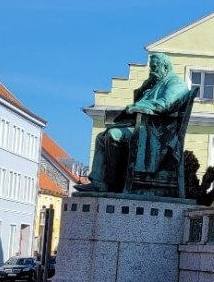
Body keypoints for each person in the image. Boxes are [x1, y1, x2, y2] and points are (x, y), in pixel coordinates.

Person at [78, 53, 190, 193]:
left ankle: (114, 183)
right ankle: (98, 181)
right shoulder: (157, 83)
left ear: (166, 67)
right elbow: (143, 100)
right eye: (151, 67)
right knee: (101, 137)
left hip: (158, 133)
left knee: (114, 135)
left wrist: (140, 106)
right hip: (145, 126)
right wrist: (145, 87)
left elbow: (164, 105)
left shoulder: (175, 83)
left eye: (155, 67)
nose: (152, 70)